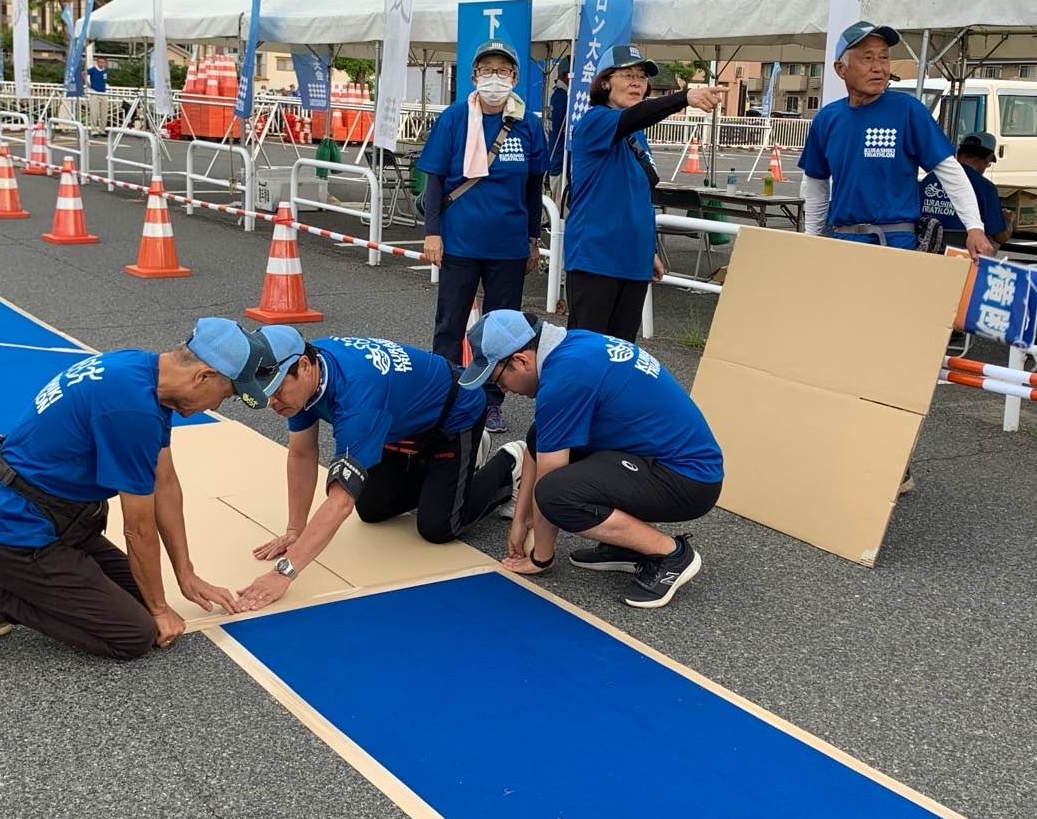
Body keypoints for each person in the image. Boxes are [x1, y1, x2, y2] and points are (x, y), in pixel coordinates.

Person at [0, 317, 279, 662]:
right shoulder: (132, 409)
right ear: (203, 376)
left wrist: (186, 574)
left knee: (141, 600)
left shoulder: (141, 372)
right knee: (135, 633)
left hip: (57, 524)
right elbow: (138, 529)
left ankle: (14, 581)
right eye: (225, 394)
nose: (216, 406)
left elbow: (166, 484)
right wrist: (160, 609)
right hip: (12, 535)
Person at [233, 326, 524, 611]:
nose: (271, 401)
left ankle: (508, 465)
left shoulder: (356, 398)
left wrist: (282, 573)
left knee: (439, 526)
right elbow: (301, 454)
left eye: (277, 389)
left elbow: (340, 503)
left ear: (305, 366)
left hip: (453, 413)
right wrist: (295, 529)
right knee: (372, 509)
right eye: (265, 392)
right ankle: (456, 468)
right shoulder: (304, 375)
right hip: (395, 422)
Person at [461, 310, 724, 609]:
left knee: (556, 495)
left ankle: (672, 554)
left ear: (521, 360)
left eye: (498, 379)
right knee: (541, 435)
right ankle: (626, 546)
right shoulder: (573, 345)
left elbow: (548, 480)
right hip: (667, 459)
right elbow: (538, 446)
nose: (503, 390)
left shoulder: (564, 381)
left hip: (689, 479)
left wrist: (540, 557)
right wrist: (521, 520)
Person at [416, 39, 547, 435]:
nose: (495, 77)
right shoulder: (455, 118)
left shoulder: (529, 124)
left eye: (503, 71)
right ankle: (443, 394)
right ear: (473, 77)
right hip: (459, 242)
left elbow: (533, 187)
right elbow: (435, 182)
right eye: (487, 70)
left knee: (503, 331)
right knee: (450, 325)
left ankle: (491, 401)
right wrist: (432, 233)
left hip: (508, 246)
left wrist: (532, 240)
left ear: (515, 77)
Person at [566, 44, 726, 341]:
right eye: (627, 74)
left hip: (633, 259)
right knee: (586, 352)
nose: (637, 82)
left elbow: (638, 195)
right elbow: (635, 117)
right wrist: (684, 97)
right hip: (595, 257)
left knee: (621, 351)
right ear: (604, 82)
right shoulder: (595, 120)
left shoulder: (637, 133)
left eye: (641, 75)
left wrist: (649, 249)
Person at [798, 20, 994, 260]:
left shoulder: (907, 110)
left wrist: (975, 227)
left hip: (896, 242)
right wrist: (812, 237)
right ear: (841, 69)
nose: (878, 68)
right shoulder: (827, 119)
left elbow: (949, 170)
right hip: (843, 240)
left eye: (884, 58)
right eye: (867, 58)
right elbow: (816, 183)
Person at [920, 131, 1012, 249]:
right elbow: (1000, 237)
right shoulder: (986, 188)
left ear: (958, 155)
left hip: (925, 249)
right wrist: (1008, 221)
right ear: (987, 159)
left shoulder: (929, 179)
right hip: (962, 255)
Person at [547, 55, 571, 197]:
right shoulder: (563, 99)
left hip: (556, 161)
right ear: (564, 74)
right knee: (560, 212)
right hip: (561, 164)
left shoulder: (556, 95)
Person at [85, 56, 110, 135]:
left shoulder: (105, 70)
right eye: (100, 62)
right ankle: (94, 130)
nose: (101, 64)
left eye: (103, 62)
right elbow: (83, 73)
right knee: (94, 112)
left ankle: (102, 129)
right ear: (97, 62)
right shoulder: (93, 70)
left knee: (104, 112)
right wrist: (87, 83)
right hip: (94, 92)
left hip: (103, 92)